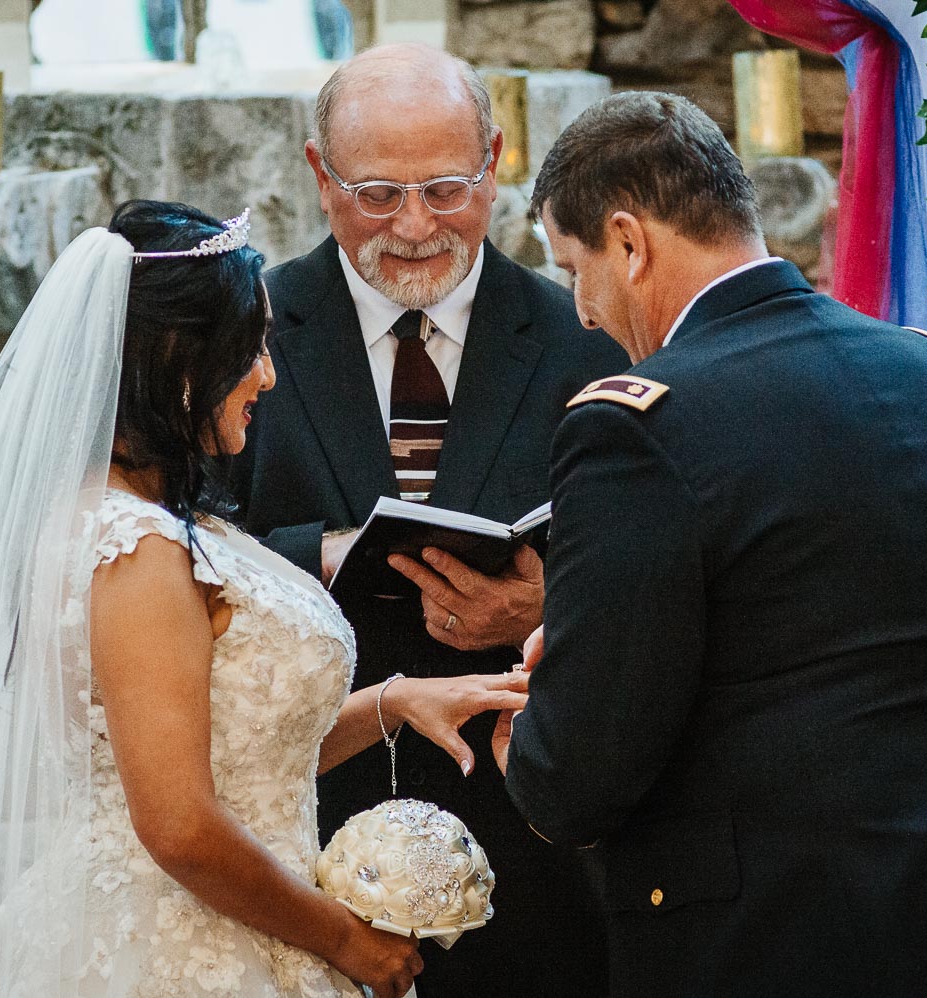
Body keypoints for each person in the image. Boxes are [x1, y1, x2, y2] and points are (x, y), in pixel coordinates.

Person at [493, 92, 927, 997]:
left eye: (573, 269)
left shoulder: (634, 428)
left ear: (629, 243)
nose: (583, 314)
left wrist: (539, 733)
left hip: (789, 926)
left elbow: (584, 774)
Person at [0, 200, 530, 998]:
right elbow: (179, 827)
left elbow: (239, 759)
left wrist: (394, 704)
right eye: (251, 349)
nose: (267, 374)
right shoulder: (135, 552)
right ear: (182, 363)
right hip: (174, 951)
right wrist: (345, 940)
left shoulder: (150, 524)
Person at [228, 44, 626, 995]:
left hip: (532, 833)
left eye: (447, 188)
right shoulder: (245, 325)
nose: (413, 225)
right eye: (376, 193)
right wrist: (314, 555)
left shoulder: (586, 332)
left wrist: (543, 605)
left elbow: (662, 562)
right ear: (321, 174)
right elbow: (172, 542)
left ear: (496, 163)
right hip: (303, 822)